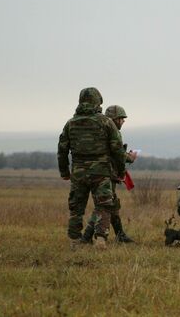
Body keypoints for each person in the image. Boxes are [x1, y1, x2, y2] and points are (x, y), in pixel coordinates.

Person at [57, 88, 127, 250]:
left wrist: (64, 172)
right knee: (104, 206)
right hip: (101, 173)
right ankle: (101, 239)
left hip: (78, 173)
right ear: (98, 101)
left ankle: (74, 242)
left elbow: (62, 149)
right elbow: (117, 150)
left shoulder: (70, 123)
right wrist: (121, 172)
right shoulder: (106, 122)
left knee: (76, 209)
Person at [81, 105, 138, 244]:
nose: (123, 122)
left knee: (111, 204)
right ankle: (87, 237)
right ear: (115, 119)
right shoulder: (112, 131)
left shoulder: (97, 130)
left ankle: (120, 234)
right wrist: (129, 158)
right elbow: (117, 153)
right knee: (104, 205)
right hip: (105, 174)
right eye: (121, 119)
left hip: (91, 172)